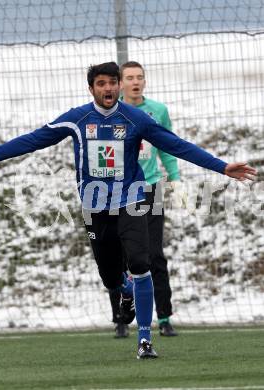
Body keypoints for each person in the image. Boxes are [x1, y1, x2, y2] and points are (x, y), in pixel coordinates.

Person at [0, 62, 256, 360]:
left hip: (130, 199)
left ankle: (144, 340)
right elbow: (37, 139)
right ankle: (123, 288)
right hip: (94, 205)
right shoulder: (78, 119)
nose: (109, 88)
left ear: (119, 86)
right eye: (101, 83)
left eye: (113, 82)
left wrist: (222, 166)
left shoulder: (136, 119)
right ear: (92, 88)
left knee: (141, 262)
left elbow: (176, 145)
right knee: (110, 277)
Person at [109, 61, 180, 338]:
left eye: (140, 77)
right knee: (121, 257)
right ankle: (121, 319)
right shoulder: (111, 113)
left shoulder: (158, 111)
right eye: (129, 78)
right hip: (120, 192)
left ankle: (164, 318)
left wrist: (174, 178)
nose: (135, 82)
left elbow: (167, 145)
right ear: (121, 83)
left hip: (151, 190)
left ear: (144, 82)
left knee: (154, 255)